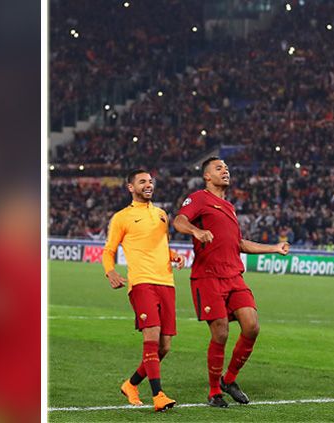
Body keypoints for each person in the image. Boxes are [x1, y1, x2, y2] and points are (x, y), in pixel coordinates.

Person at [173, 157, 289, 408]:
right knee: (221, 332)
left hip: (234, 276)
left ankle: (229, 379)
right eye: (219, 168)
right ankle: (214, 392)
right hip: (208, 277)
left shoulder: (229, 207)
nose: (225, 171)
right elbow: (179, 220)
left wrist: (274, 247)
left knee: (252, 326)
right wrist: (196, 231)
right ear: (207, 176)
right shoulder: (199, 198)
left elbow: (240, 244)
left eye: (226, 168)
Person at [102, 169, 186, 412]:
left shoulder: (162, 215)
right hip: (141, 283)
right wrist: (111, 272)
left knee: (164, 347)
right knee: (151, 337)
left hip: (167, 283)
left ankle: (131, 384)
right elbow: (109, 250)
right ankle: (158, 395)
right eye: (142, 182)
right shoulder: (121, 218)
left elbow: (160, 245)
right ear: (131, 187)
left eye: (150, 181)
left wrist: (173, 255)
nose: (149, 185)